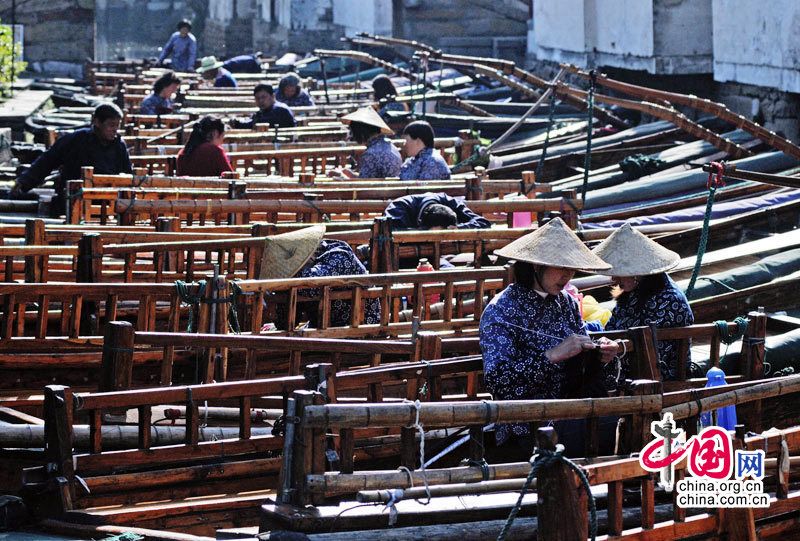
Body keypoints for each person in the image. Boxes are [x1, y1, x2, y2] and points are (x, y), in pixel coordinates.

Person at [479, 218, 619, 454]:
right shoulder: (500, 310)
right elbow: (497, 379)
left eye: (572, 269)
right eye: (561, 267)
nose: (568, 276)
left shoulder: (565, 302)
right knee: (610, 427)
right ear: (536, 265)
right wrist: (552, 355)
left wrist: (601, 355)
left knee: (624, 420)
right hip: (527, 421)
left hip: (571, 408)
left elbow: (583, 360)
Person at [592, 222, 694, 386]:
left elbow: (651, 354)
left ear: (637, 273)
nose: (613, 279)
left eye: (618, 273)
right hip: (625, 368)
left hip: (656, 379)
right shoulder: (632, 294)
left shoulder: (669, 300)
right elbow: (611, 330)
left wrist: (617, 347)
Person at [11, 103, 131, 217]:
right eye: (111, 125)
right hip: (72, 200)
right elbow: (47, 161)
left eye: (117, 126)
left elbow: (128, 176)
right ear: (97, 122)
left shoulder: (119, 145)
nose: (115, 130)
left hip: (107, 204)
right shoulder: (75, 140)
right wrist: (24, 182)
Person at [260, 226, 380, 328]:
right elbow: (286, 323)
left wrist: (283, 279)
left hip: (358, 327)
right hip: (324, 328)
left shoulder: (339, 254)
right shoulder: (298, 275)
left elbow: (314, 284)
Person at [333, 107, 401, 179]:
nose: (352, 135)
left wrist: (341, 176)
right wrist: (349, 174)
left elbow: (362, 184)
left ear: (360, 131)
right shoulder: (389, 145)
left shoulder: (371, 154)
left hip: (380, 190)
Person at [384, 192, 490, 230]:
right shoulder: (398, 207)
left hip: (445, 254)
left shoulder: (451, 202)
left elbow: (483, 223)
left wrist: (459, 228)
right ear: (421, 224)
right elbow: (392, 235)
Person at [231, 83, 296, 129]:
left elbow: (257, 123)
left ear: (272, 96)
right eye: (257, 98)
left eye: (264, 97)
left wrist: (236, 123)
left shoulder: (279, 110)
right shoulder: (266, 110)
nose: (261, 100)